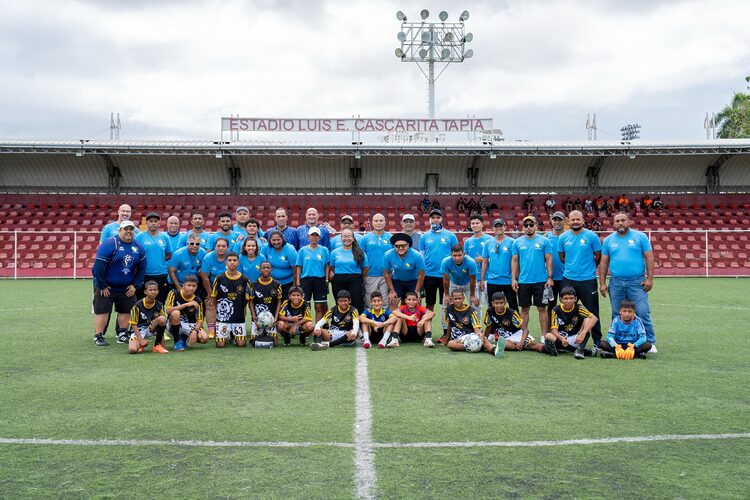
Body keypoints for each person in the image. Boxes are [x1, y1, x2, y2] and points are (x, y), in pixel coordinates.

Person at [599, 212, 657, 351]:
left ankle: (649, 342)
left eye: (623, 220)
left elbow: (649, 258)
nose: (620, 223)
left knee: (643, 311)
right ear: (613, 223)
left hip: (637, 282)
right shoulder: (608, 240)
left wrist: (649, 279)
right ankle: (617, 342)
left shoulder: (640, 237)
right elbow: (604, 262)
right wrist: (602, 283)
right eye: (617, 221)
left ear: (629, 222)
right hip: (616, 282)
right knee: (616, 313)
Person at [92, 220, 146, 346]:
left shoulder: (138, 246)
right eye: (125, 229)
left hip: (126, 287)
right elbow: (98, 266)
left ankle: (122, 333)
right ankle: (98, 336)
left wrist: (135, 285)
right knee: (102, 310)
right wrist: (102, 285)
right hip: (107, 286)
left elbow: (142, 268)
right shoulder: (110, 243)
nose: (129, 231)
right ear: (119, 230)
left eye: (131, 229)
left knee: (126, 310)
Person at [557, 210, 602, 347]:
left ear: (583, 220)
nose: (575, 222)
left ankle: (597, 340)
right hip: (569, 279)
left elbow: (598, 256)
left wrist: (587, 269)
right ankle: (565, 338)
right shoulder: (563, 237)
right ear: (568, 221)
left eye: (578, 219)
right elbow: (562, 257)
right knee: (567, 309)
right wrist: (574, 267)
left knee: (592, 311)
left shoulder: (591, 236)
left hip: (588, 280)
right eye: (573, 219)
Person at [511, 215, 554, 340]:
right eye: (526, 225)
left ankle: (544, 335)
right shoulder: (517, 242)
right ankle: (523, 335)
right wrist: (513, 279)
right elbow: (514, 261)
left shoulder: (545, 241)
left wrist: (550, 277)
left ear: (536, 226)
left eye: (531, 225)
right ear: (523, 227)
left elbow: (549, 260)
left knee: (542, 308)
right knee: (524, 308)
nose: (528, 227)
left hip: (541, 281)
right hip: (523, 281)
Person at [419, 208, 458, 342]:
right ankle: (427, 332)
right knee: (429, 305)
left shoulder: (450, 235)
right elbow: (422, 257)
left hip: (445, 275)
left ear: (442, 219)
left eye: (438, 217)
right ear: (429, 220)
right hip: (429, 275)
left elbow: (455, 255)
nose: (435, 220)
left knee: (446, 304)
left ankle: (446, 332)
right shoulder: (424, 236)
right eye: (433, 218)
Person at [483, 292, 556, 356]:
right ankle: (522, 346)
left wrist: (521, 342)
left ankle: (548, 349)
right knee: (505, 344)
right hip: (503, 337)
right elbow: (488, 327)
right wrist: (484, 339)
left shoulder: (512, 313)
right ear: (492, 303)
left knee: (533, 345)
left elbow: (525, 330)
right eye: (496, 303)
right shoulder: (490, 311)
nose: (499, 305)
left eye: (501, 303)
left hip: (517, 333)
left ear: (505, 303)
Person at [211, 251, 251, 348]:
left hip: (238, 317)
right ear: (226, 263)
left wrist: (240, 308)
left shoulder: (245, 279)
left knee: (242, 344)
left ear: (238, 263)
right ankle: (227, 333)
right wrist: (220, 311)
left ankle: (233, 334)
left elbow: (246, 299)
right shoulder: (219, 278)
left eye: (234, 260)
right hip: (223, 318)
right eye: (229, 260)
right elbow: (214, 297)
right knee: (220, 345)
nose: (232, 262)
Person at [444, 289, 501, 357]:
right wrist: (446, 341)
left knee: (483, 340)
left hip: (470, 335)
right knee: (451, 344)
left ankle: (494, 350)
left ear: (463, 298)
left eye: (460, 298)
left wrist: (479, 334)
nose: (458, 300)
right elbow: (449, 325)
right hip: (458, 339)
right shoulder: (449, 309)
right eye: (455, 299)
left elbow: (476, 328)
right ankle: (478, 347)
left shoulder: (471, 311)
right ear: (452, 299)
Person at [549, 286, 599, 359]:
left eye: (571, 298)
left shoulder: (579, 307)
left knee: (588, 319)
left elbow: (594, 318)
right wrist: (561, 338)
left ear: (575, 299)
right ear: (561, 299)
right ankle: (578, 350)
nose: (569, 301)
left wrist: (583, 333)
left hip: (577, 338)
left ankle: (579, 349)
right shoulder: (556, 310)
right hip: (562, 338)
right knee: (548, 336)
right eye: (566, 298)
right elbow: (554, 330)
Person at [480, 218, 517, 311]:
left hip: (508, 280)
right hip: (492, 280)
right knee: (492, 308)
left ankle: (515, 325)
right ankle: (493, 325)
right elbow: (485, 261)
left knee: (513, 306)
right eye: (496, 226)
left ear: (505, 227)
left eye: (500, 226)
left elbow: (515, 261)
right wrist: (482, 279)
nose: (498, 228)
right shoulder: (488, 243)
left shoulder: (512, 242)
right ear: (492, 228)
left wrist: (514, 279)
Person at [295, 226, 330, 322]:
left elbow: (327, 265)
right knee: (306, 305)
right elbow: (299, 266)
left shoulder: (324, 250)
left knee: (319, 306)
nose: (314, 237)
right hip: (306, 280)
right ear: (308, 236)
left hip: (320, 280)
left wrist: (326, 279)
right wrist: (298, 281)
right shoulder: (302, 250)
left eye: (316, 235)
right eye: (312, 235)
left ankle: (317, 329)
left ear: (319, 237)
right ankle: (307, 327)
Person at [135, 211, 172, 303]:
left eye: (156, 221)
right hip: (144, 275)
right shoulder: (139, 237)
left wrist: (157, 260)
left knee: (159, 303)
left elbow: (169, 254)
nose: (153, 223)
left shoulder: (165, 237)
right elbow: (135, 254)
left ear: (159, 223)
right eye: (151, 221)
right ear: (146, 223)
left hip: (160, 275)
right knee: (142, 303)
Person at [329, 228, 369, 313]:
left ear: (353, 238)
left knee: (357, 303)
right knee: (341, 304)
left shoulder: (360, 252)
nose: (346, 238)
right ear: (341, 238)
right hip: (339, 281)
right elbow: (332, 267)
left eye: (349, 236)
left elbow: (365, 268)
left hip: (355, 280)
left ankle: (357, 325)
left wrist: (359, 277)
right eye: (344, 236)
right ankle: (341, 324)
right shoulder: (335, 252)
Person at [165, 275, 207, 351]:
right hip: (173, 323)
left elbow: (200, 320)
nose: (191, 288)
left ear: (197, 286)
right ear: (183, 286)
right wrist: (186, 304)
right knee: (176, 313)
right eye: (189, 285)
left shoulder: (198, 300)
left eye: (194, 286)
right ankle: (177, 342)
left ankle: (183, 338)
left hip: (189, 324)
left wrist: (195, 331)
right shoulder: (174, 293)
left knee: (204, 338)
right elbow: (168, 310)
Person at [383, 233, 425, 309]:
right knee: (393, 300)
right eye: (397, 246)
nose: (400, 248)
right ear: (393, 246)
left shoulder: (417, 255)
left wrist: (417, 290)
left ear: (408, 245)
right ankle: (394, 320)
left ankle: (415, 320)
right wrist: (392, 291)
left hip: (413, 281)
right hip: (397, 280)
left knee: (417, 301)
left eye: (403, 245)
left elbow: (421, 274)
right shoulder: (388, 255)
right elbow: (386, 273)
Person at [127, 280, 168, 354]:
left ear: (158, 291)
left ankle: (157, 345)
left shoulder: (160, 305)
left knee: (162, 319)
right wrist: (141, 340)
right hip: (139, 330)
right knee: (132, 350)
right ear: (145, 292)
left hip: (151, 328)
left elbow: (163, 322)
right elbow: (133, 324)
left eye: (155, 290)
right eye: (150, 290)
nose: (153, 292)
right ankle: (140, 345)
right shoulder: (137, 305)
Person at [360, 213, 392, 308]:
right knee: (370, 303)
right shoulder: (365, 239)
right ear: (372, 223)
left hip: (386, 276)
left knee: (385, 303)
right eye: (376, 221)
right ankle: (370, 323)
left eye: (381, 220)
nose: (378, 223)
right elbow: (361, 258)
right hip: (370, 275)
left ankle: (384, 323)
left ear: (385, 223)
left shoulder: (390, 238)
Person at [249, 261, 283, 348]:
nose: (266, 269)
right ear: (260, 270)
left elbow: (279, 301)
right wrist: (254, 317)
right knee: (255, 343)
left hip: (271, 319)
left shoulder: (276, 284)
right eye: (263, 268)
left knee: (274, 344)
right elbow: (251, 301)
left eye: (268, 268)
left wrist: (275, 318)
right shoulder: (254, 285)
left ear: (271, 270)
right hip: (258, 319)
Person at [200, 237, 229, 337]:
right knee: (210, 304)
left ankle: (227, 328)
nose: (221, 248)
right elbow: (204, 276)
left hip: (228, 286)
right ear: (215, 247)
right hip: (210, 285)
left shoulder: (231, 257)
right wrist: (210, 292)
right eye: (218, 246)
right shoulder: (208, 257)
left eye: (223, 246)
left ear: (227, 247)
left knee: (228, 306)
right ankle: (211, 330)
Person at [463, 213, 492, 307]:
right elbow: (465, 259)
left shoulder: (490, 239)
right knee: (475, 306)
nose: (475, 225)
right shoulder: (468, 242)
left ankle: (492, 322)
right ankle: (476, 322)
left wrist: (484, 259)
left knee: (491, 305)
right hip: (473, 278)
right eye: (473, 223)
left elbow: (496, 258)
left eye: (477, 223)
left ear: (482, 224)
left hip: (489, 277)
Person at [262, 230, 298, 300]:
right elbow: (262, 266)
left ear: (282, 239)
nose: (276, 242)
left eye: (278, 240)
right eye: (273, 240)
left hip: (288, 283)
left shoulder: (290, 249)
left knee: (285, 304)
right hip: (271, 282)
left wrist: (295, 285)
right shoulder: (265, 248)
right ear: (270, 240)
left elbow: (296, 270)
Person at [545, 211, 566, 311]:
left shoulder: (569, 237)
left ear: (565, 221)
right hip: (550, 279)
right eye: (555, 219)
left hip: (566, 278)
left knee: (567, 305)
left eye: (560, 220)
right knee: (550, 306)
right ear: (551, 221)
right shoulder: (545, 238)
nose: (557, 222)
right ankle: (550, 327)